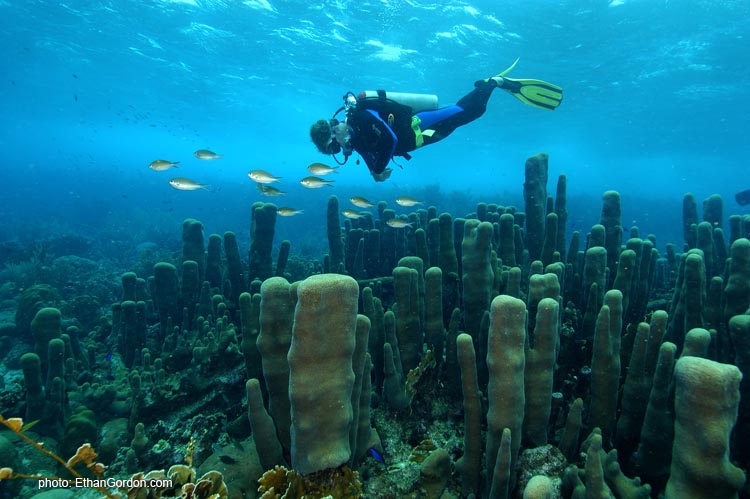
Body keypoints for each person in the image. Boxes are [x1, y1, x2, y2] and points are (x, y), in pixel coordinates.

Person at [310, 59, 563, 181]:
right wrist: (373, 171)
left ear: (333, 131)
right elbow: (367, 151)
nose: (337, 150)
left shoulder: (361, 117)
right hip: (422, 139)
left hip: (420, 124)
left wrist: (376, 170)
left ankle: (493, 83)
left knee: (469, 112)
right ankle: (487, 86)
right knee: (463, 115)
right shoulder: (354, 137)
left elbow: (390, 139)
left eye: (332, 146)